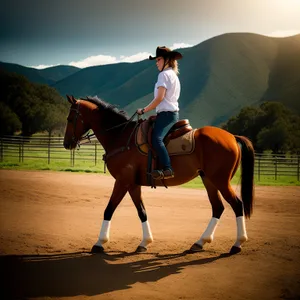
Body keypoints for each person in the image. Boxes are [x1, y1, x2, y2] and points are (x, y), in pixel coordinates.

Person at [137, 46, 183, 180]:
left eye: (158, 60)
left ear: (167, 60)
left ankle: (168, 168)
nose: (156, 63)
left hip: (166, 115)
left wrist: (144, 110)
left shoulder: (163, 75)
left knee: (156, 139)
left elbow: (159, 98)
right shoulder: (174, 75)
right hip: (171, 114)